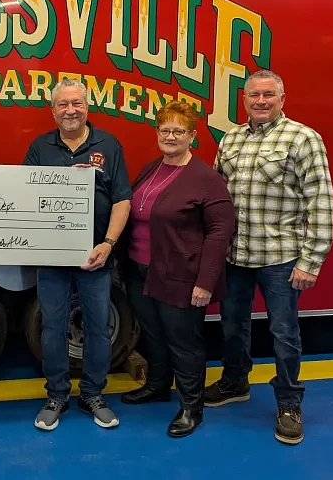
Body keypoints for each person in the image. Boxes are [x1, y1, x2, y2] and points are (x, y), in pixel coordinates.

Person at [203, 69, 333, 445]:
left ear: (282, 98)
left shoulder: (303, 138)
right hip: (235, 255)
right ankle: (234, 381)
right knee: (232, 326)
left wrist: (312, 260)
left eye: (268, 95)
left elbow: (321, 202)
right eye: (253, 96)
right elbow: (216, 197)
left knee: (283, 333)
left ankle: (289, 402)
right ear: (243, 100)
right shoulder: (230, 139)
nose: (261, 102)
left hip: (280, 258)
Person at [117, 101, 235, 437]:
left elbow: (219, 231)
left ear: (192, 136)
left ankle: (190, 407)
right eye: (165, 130)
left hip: (180, 276)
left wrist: (205, 282)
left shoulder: (205, 179)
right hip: (141, 271)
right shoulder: (152, 168)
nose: (171, 136)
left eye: (178, 131)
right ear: (157, 133)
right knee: (153, 335)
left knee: (184, 342)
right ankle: (156, 387)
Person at [23, 78, 132, 431]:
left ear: (87, 106)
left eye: (77, 103)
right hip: (51, 257)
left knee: (98, 327)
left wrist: (109, 243)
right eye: (63, 104)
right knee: (52, 326)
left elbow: (122, 199)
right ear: (53, 110)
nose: (71, 110)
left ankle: (92, 394)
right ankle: (56, 395)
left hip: (95, 256)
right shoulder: (40, 148)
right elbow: (20, 196)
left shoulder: (108, 145)